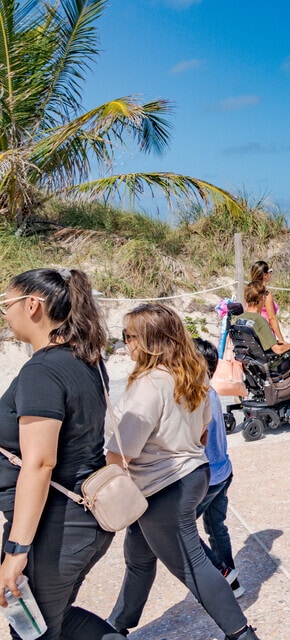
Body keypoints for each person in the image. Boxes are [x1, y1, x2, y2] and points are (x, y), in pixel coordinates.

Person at [106, 304, 259, 639]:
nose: (124, 344)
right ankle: (118, 624)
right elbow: (203, 433)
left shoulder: (148, 384)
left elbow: (121, 451)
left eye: (127, 336)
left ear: (147, 341)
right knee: (139, 556)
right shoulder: (192, 376)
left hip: (162, 488)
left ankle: (242, 634)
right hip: (191, 475)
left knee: (194, 567)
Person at [0, 268, 125, 639]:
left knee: (32, 631)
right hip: (81, 520)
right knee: (55, 620)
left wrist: (17, 550)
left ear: (32, 305)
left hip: (55, 530)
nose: (5, 314)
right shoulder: (85, 359)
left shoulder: (42, 371)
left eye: (6, 305)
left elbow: (40, 462)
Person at [192, 338, 245, 598]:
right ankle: (232, 581)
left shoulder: (195, 394)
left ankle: (222, 572)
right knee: (216, 527)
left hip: (209, 478)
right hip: (223, 472)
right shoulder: (210, 390)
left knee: (182, 530)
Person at [248, 261, 285, 345]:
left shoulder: (249, 291)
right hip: (265, 332)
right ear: (265, 275)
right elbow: (271, 318)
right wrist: (281, 339)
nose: (270, 274)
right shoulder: (266, 294)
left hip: (252, 331)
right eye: (270, 272)